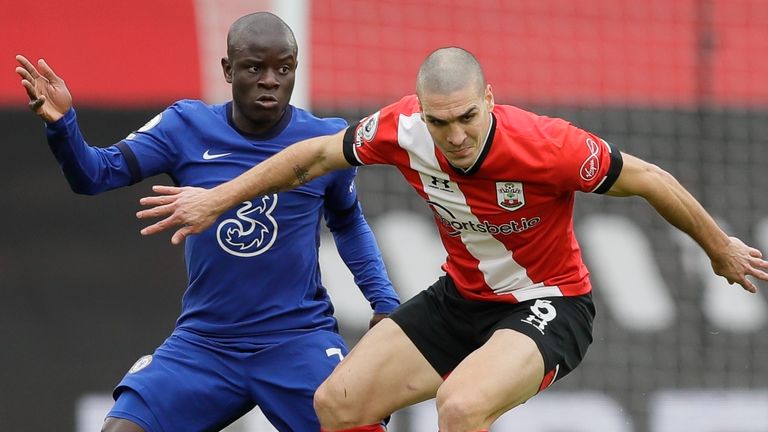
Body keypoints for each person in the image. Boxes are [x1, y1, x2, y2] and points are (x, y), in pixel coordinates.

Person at [133, 47, 768, 432]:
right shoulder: (401, 129)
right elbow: (313, 157)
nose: (456, 135)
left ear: (489, 99)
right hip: (461, 299)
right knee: (337, 404)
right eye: (441, 121)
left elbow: (651, 179)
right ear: (421, 111)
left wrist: (718, 247)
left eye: (467, 116)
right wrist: (217, 197)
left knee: (461, 410)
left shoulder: (547, 146)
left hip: (548, 305)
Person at [15, 12, 400, 432]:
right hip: (207, 342)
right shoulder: (186, 126)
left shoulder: (324, 142)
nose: (270, 80)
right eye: (255, 67)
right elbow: (94, 175)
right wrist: (63, 126)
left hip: (298, 339)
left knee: (360, 424)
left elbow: (347, 223)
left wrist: (385, 304)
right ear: (228, 69)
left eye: (283, 69)